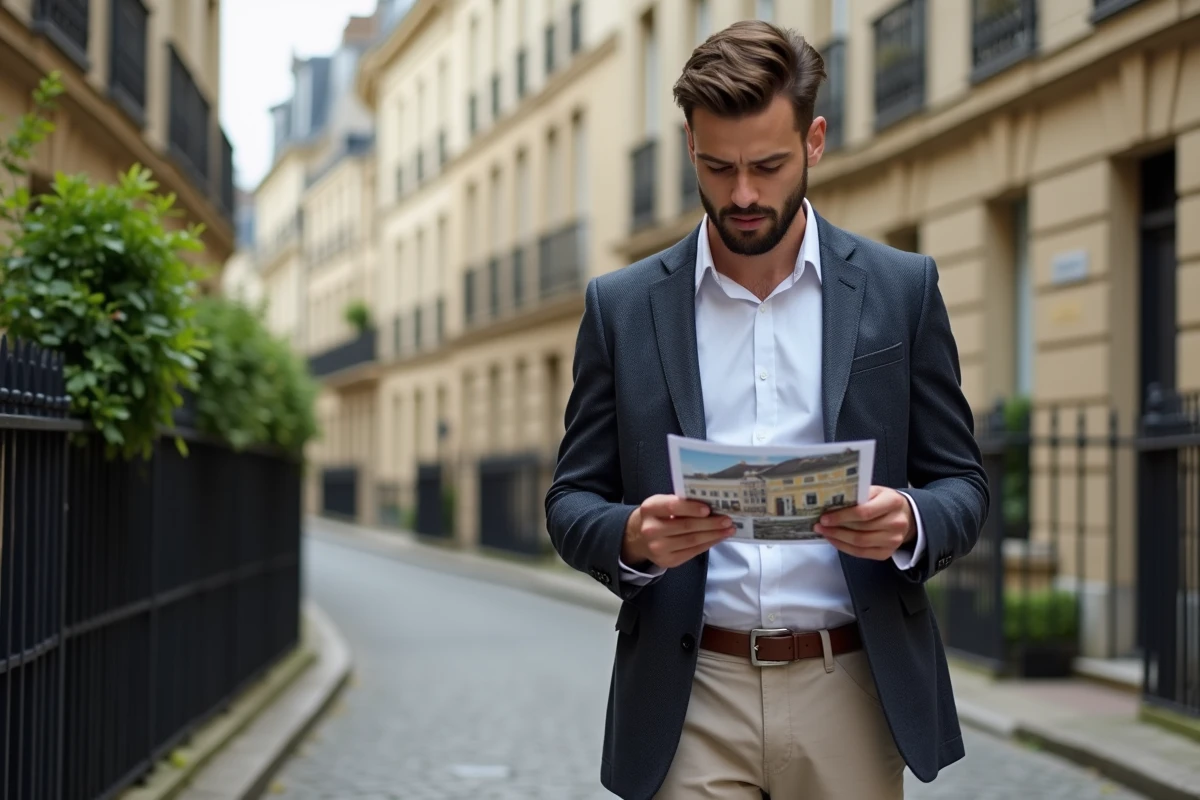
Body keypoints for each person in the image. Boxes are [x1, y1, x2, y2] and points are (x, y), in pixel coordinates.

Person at [545, 19, 989, 800]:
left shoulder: (900, 288)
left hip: (849, 686)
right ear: (690, 148)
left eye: (768, 166)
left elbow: (962, 484)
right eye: (718, 168)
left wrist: (909, 521)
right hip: (690, 693)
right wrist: (633, 535)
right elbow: (569, 501)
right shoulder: (622, 308)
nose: (743, 194)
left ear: (814, 142)